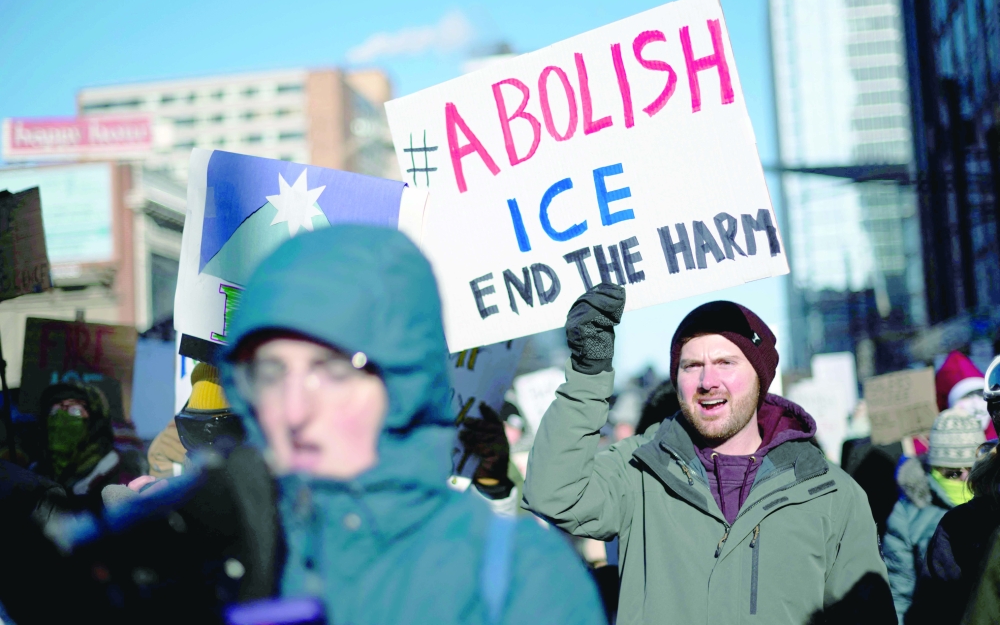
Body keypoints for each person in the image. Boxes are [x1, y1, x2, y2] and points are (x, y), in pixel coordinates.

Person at [219, 224, 604, 624]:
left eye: (332, 370)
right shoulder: (212, 560)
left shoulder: (523, 576)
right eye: (269, 373)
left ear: (404, 382)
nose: (294, 410)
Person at [523, 287, 894, 624]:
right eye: (691, 366)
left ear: (759, 377)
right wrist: (589, 374)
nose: (707, 381)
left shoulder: (830, 493)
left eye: (725, 363)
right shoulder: (639, 468)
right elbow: (554, 494)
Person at [884, 408, 984, 621]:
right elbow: (900, 593)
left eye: (973, 469)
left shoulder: (994, 503)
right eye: (953, 473)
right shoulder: (907, 515)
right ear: (934, 468)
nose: (965, 479)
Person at [36, 381, 127, 500]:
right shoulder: (35, 470)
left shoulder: (116, 472)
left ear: (95, 422)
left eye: (75, 410)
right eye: (55, 410)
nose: (62, 416)